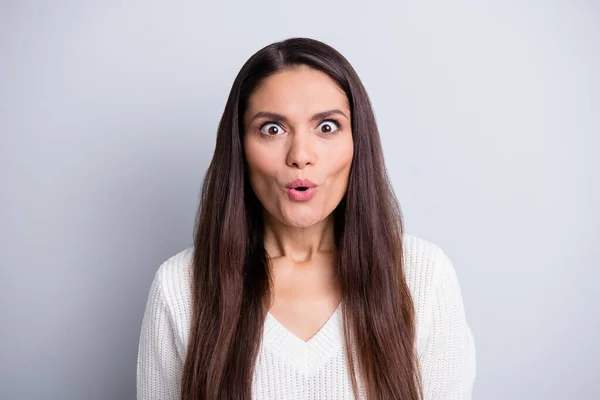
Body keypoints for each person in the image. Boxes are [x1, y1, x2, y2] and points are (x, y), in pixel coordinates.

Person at [136, 37, 476, 400]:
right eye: (272, 129)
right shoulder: (181, 288)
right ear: (240, 148)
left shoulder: (422, 277)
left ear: (358, 143)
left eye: (327, 127)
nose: (300, 155)